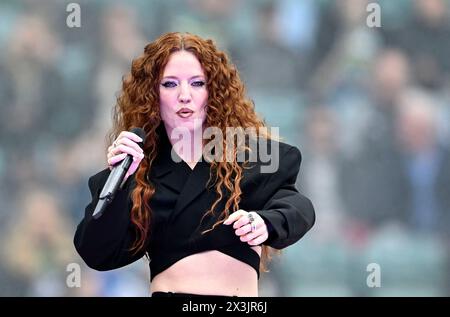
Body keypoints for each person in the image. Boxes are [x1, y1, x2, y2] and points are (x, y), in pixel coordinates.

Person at [73, 32, 315, 297]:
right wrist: (119, 183)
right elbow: (97, 251)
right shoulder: (139, 171)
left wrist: (265, 223)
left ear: (214, 91)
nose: (184, 95)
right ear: (152, 94)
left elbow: (298, 208)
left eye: (197, 83)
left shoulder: (250, 157)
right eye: (170, 84)